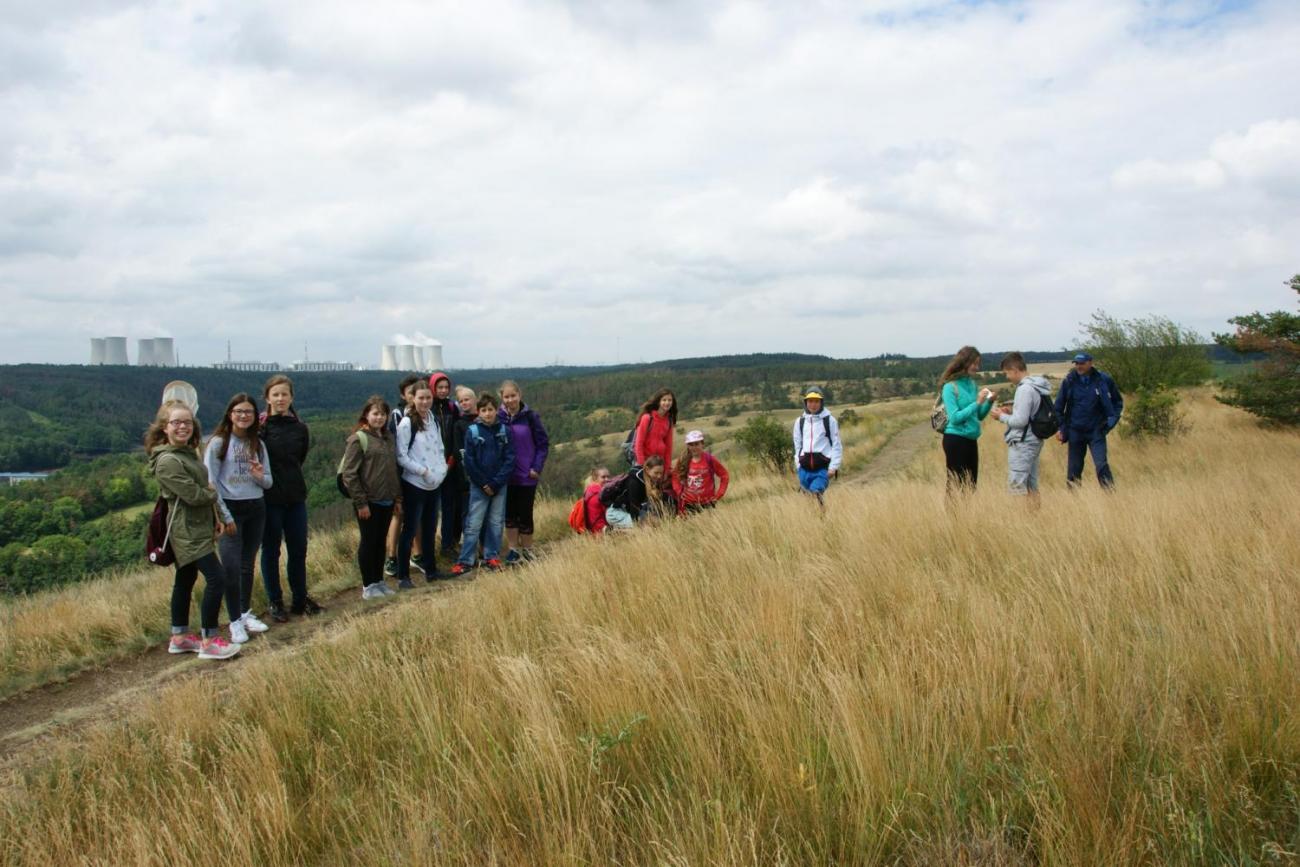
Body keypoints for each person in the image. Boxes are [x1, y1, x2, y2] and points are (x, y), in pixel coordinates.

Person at [146, 400, 240, 660]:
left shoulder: (186, 453)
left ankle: (180, 637)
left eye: (187, 422)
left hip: (197, 526)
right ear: (165, 427)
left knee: (185, 579)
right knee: (217, 578)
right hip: (186, 531)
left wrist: (215, 516)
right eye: (176, 422)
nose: (182, 427)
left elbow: (201, 493)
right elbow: (193, 495)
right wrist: (212, 495)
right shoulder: (167, 461)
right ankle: (209, 639)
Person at [204, 393, 273, 644]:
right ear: (230, 414)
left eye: (248, 412)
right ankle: (234, 622)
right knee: (231, 568)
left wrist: (257, 475)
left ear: (255, 416)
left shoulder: (258, 444)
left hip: (256, 507)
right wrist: (223, 515)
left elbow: (268, 482)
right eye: (239, 411)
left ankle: (244, 614)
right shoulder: (218, 444)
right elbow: (211, 483)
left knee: (246, 564)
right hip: (230, 510)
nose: (243, 416)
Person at [260, 375, 322, 620]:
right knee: (271, 551)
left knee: (298, 549)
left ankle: (299, 598)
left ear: (291, 397)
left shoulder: (300, 428)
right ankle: (275, 601)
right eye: (275, 394)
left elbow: (299, 459)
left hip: (296, 497)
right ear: (267, 398)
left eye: (284, 394)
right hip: (270, 499)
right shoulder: (260, 429)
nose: (280, 398)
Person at [341, 396, 403, 599]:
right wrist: (361, 502)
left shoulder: (388, 438)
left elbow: (393, 470)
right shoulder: (358, 439)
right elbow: (350, 474)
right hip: (368, 501)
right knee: (368, 542)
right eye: (375, 413)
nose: (379, 418)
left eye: (383, 414)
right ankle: (368, 586)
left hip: (386, 499)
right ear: (366, 415)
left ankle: (379, 581)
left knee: (379, 542)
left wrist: (397, 498)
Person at [451, 393, 515, 577]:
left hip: (499, 485)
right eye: (484, 410)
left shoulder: (504, 430)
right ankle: (465, 560)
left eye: (491, 410)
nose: (487, 414)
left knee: (496, 522)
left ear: (497, 410)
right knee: (473, 523)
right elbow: (469, 461)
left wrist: (495, 483)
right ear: (478, 411)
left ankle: (491, 556)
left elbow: (510, 459)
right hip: (479, 486)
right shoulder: (473, 431)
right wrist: (484, 482)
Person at [396, 380, 448, 586]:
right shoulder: (407, 423)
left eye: (428, 397)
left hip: (434, 484)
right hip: (415, 484)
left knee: (429, 529)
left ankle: (432, 572)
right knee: (409, 530)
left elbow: (439, 448)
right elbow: (401, 456)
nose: (425, 402)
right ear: (413, 398)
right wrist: (424, 471)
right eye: (421, 398)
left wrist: (441, 470)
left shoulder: (432, 419)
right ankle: (403, 577)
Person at [990, 352, 1053, 505]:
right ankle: (1034, 518)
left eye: (1007, 373)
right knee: (1031, 483)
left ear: (1014, 369)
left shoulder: (1025, 389)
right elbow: (1030, 415)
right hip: (1033, 440)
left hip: (1023, 442)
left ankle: (1020, 523)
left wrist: (1001, 417)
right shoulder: (1036, 386)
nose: (1007, 377)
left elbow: (1020, 421)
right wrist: (1011, 412)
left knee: (1017, 485)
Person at [1053, 352, 1123, 489]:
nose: (1079, 366)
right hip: (1075, 431)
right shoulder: (1069, 381)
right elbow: (1058, 407)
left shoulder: (1104, 380)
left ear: (1090, 363)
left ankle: (1111, 497)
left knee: (1101, 465)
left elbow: (1117, 402)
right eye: (1077, 363)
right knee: (1074, 469)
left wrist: (1111, 422)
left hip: (1096, 431)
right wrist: (1061, 428)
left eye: (1082, 363)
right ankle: (1073, 502)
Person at [499, 381, 549, 564]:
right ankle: (513, 550)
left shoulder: (530, 416)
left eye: (513, 395)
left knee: (525, 513)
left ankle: (528, 550)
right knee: (510, 514)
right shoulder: (498, 417)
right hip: (507, 476)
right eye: (506, 396)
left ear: (520, 395)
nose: (510, 399)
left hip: (528, 475)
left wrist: (536, 467)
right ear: (501, 398)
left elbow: (543, 444)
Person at [938, 347, 996, 494]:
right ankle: (954, 516)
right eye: (974, 363)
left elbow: (979, 416)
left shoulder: (971, 384)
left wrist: (988, 402)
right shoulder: (949, 387)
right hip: (955, 439)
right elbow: (955, 418)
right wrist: (977, 402)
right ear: (964, 362)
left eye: (978, 364)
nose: (977, 367)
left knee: (971, 486)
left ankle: (967, 516)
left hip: (971, 439)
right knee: (956, 485)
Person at [384, 374, 424, 578]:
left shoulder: (424, 415)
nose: (413, 396)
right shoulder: (397, 415)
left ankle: (417, 555)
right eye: (410, 393)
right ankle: (392, 557)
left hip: (418, 473)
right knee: (398, 514)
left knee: (416, 513)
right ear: (403, 394)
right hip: (400, 473)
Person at [429, 372, 462, 562]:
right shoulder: (428, 408)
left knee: (449, 507)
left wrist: (451, 460)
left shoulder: (452, 408)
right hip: (431, 468)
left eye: (445, 387)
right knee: (432, 509)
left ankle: (447, 545)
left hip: (450, 465)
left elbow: (456, 434)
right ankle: (427, 548)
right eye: (439, 387)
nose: (442, 390)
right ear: (433, 388)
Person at [792, 386, 842, 507]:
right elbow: (797, 445)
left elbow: (836, 445)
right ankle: (812, 522)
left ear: (821, 402)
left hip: (822, 469)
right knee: (807, 500)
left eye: (816, 401)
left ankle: (822, 518)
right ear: (805, 402)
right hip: (804, 469)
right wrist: (798, 465)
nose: (813, 404)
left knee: (816, 493)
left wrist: (833, 467)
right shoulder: (800, 422)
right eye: (810, 401)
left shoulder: (829, 420)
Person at [673, 430, 730, 514]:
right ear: (687, 446)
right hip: (688, 504)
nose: (694, 447)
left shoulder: (709, 459)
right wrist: (678, 491)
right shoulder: (683, 460)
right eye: (691, 444)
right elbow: (675, 476)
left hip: (708, 503)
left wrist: (719, 495)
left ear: (702, 444)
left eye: (696, 444)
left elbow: (724, 475)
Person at [602, 456, 666, 529]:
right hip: (615, 513)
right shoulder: (635, 482)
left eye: (661, 473)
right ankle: (611, 532)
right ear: (647, 470)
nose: (659, 476)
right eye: (656, 473)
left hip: (629, 511)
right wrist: (642, 524)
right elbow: (634, 508)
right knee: (647, 528)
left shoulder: (652, 481)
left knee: (657, 523)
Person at [633, 388, 678, 468]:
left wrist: (667, 469)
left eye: (670, 400)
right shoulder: (647, 418)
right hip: (646, 462)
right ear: (658, 402)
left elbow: (668, 447)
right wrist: (642, 466)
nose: (667, 403)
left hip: (659, 464)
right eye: (664, 400)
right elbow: (639, 444)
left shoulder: (669, 421)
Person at [583, 467, 611, 534]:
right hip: (601, 530)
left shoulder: (590, 491)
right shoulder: (599, 494)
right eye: (603, 477)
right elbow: (609, 513)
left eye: (608, 477)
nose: (607, 479)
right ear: (595, 479)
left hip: (593, 530)